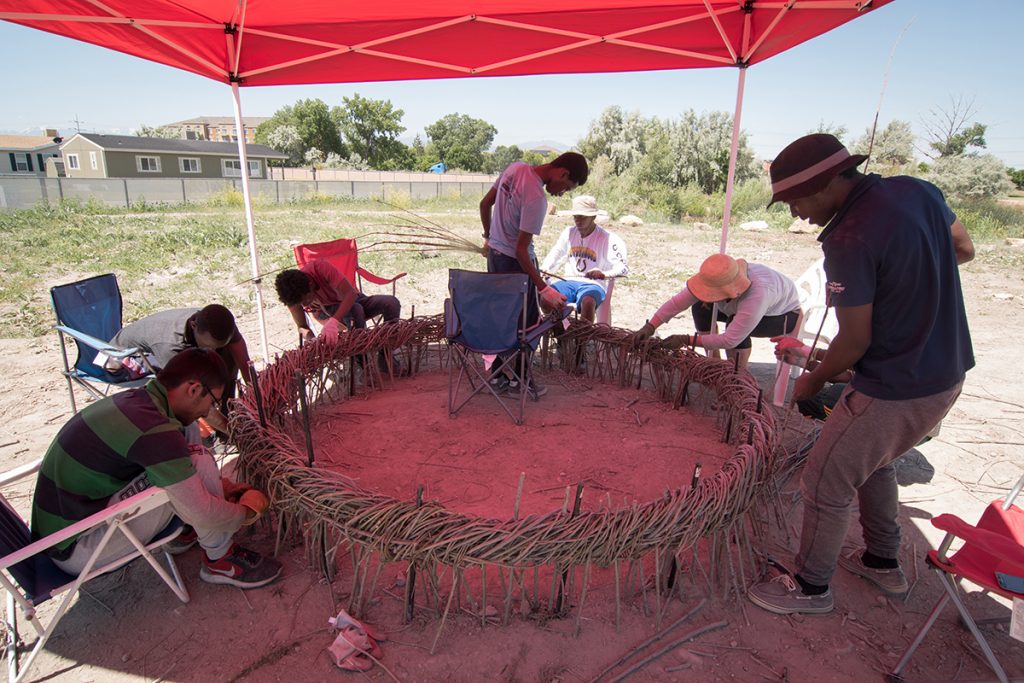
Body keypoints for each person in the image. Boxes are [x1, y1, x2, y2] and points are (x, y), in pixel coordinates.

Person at [747, 133, 974, 615]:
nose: (795, 214)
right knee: (874, 462)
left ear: (827, 183)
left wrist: (812, 380)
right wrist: (913, 286)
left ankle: (810, 588)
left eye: (794, 201)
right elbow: (963, 247)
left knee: (824, 482)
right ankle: (881, 559)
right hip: (946, 372)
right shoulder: (918, 190)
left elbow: (853, 343)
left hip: (895, 386)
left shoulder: (848, 238)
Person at [31, 348, 282, 588]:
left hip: (70, 528)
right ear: (194, 389)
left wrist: (225, 487)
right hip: (78, 548)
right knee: (197, 460)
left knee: (189, 429)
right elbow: (202, 511)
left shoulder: (141, 402)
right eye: (212, 402)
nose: (209, 411)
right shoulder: (155, 431)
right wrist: (246, 513)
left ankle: (186, 530)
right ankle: (220, 558)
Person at [479, 151, 589, 398]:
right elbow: (520, 250)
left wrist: (488, 237)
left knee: (500, 317)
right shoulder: (536, 198)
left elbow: (485, 204)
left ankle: (497, 376)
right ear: (563, 173)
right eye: (566, 187)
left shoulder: (514, 168)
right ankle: (520, 381)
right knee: (527, 325)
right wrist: (543, 288)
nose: (561, 193)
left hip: (495, 259)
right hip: (515, 266)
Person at [632, 253, 801, 371]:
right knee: (700, 307)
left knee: (733, 324)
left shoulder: (758, 294)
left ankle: (736, 376)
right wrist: (650, 327)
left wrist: (685, 340)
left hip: (782, 316)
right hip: (741, 308)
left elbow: (730, 339)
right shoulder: (717, 276)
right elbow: (676, 303)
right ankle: (714, 362)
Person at [106, 304, 253, 434]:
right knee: (192, 392)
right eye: (208, 347)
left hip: (164, 347)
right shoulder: (171, 346)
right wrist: (233, 432)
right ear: (193, 325)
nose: (213, 350)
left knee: (225, 356)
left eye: (216, 346)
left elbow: (238, 348)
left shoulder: (220, 323)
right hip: (121, 361)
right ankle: (216, 432)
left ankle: (228, 412)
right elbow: (188, 395)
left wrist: (253, 388)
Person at [539, 195, 628, 324]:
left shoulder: (607, 238)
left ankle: (583, 340)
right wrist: (546, 267)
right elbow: (556, 253)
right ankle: (562, 335)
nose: (578, 221)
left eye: (583, 217)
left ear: (593, 217)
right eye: (576, 217)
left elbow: (623, 268)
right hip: (569, 282)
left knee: (588, 302)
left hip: (593, 284)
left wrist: (603, 274)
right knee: (545, 298)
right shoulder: (568, 233)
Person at [275, 260, 401, 343]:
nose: (305, 305)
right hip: (326, 310)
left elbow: (351, 294)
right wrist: (312, 339)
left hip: (352, 300)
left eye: (306, 300)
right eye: (300, 304)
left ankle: (386, 355)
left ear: (311, 284)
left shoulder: (320, 268)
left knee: (391, 303)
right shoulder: (292, 295)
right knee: (356, 309)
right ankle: (361, 361)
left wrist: (334, 321)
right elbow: (302, 327)